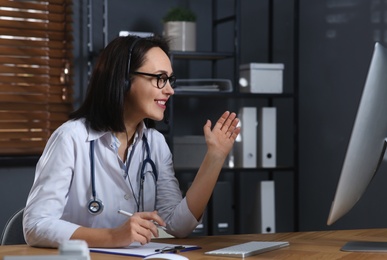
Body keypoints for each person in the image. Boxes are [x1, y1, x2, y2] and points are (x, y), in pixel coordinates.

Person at [23, 35, 241, 248]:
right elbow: (35, 225)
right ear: (124, 80)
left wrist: (215, 156)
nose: (170, 90)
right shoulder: (70, 138)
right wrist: (113, 237)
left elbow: (177, 225)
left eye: (169, 80)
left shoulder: (155, 144)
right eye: (159, 78)